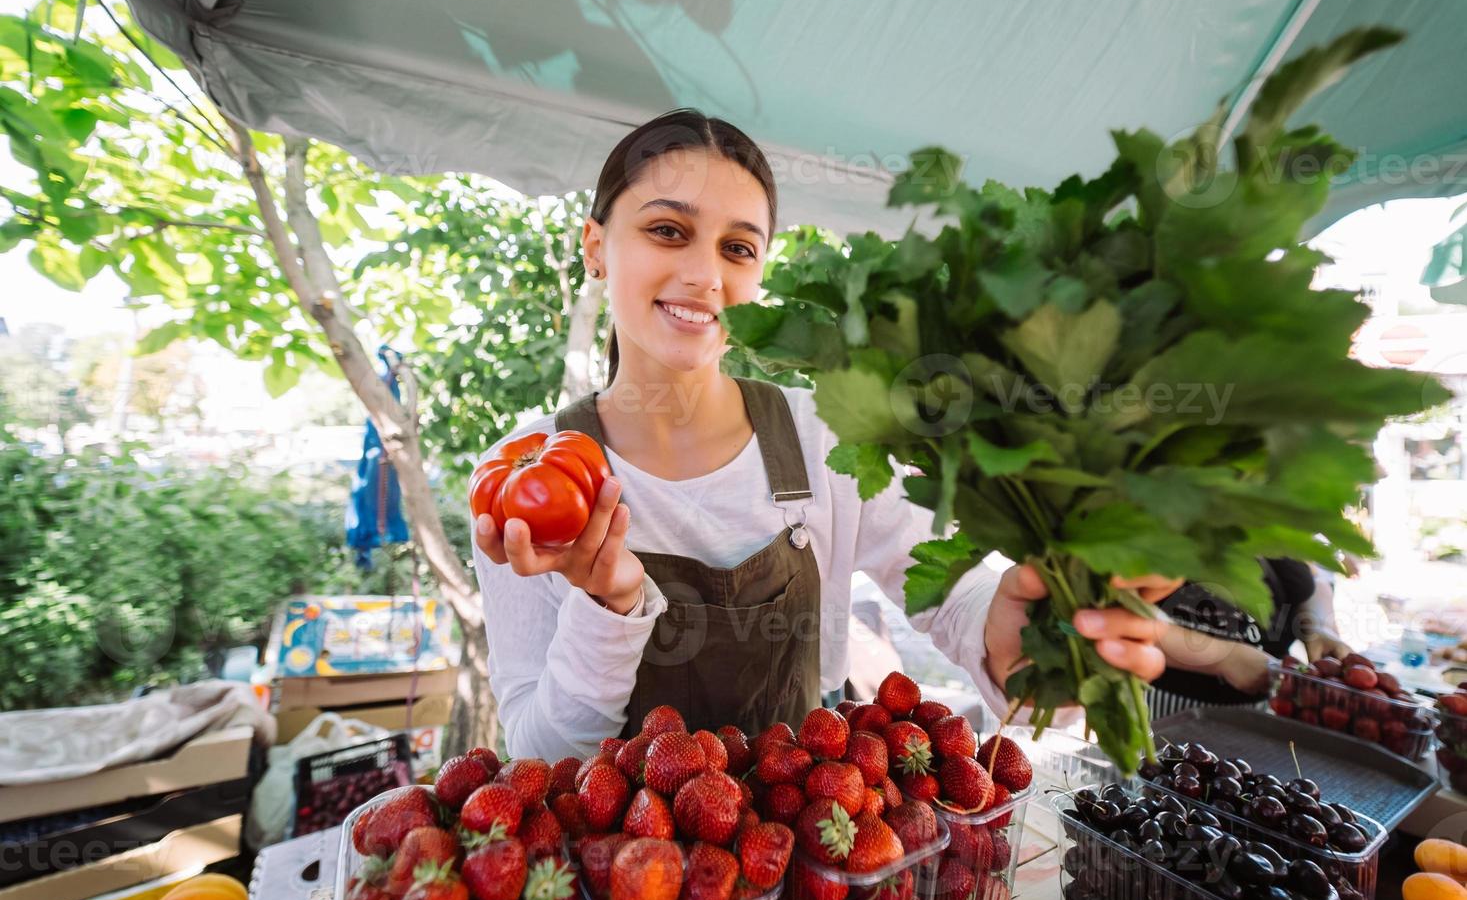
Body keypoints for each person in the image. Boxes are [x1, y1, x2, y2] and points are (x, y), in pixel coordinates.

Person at [469, 109, 1183, 759]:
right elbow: (537, 757)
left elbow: (949, 593)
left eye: (738, 248)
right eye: (667, 231)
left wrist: (1009, 632)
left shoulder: (824, 435)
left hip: (815, 856)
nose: (703, 274)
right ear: (595, 246)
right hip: (623, 884)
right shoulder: (521, 485)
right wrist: (609, 607)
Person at [1148, 558, 1353, 720]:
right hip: (1177, 707)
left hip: (1268, 702)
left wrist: (1318, 626)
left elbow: (1314, 582)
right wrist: (1223, 659)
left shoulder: (1276, 518)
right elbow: (1122, 618)